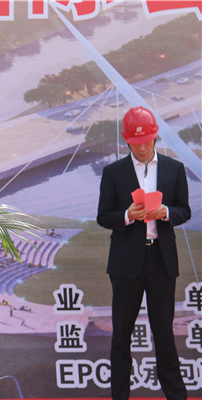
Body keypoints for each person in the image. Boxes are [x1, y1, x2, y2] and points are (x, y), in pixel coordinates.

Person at [97, 106, 190, 400]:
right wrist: (127, 215)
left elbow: (184, 210)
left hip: (162, 261)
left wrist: (165, 212)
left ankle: (176, 396)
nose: (141, 148)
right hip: (126, 264)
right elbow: (103, 216)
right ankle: (120, 396)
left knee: (164, 334)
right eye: (135, 144)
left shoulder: (174, 169)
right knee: (121, 335)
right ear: (126, 141)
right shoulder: (113, 172)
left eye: (146, 142)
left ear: (155, 137)